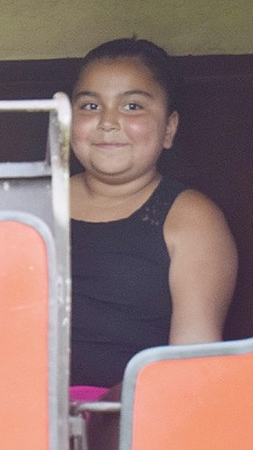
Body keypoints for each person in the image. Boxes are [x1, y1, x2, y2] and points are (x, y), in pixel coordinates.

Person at [68, 37, 237, 412]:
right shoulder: (34, 204)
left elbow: (192, 363)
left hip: (133, 417)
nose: (108, 122)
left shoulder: (190, 218)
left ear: (169, 129)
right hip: (27, 412)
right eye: (91, 106)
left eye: (132, 106)